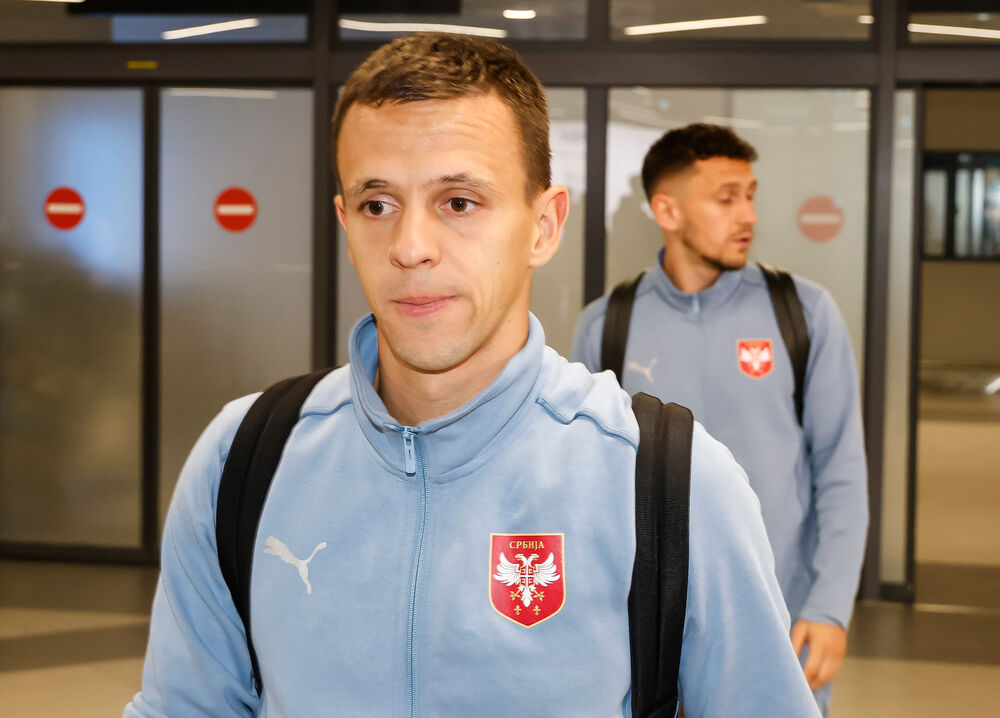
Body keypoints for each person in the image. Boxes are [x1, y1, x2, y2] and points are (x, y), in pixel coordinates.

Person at [125, 36, 819, 717]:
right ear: (345, 223)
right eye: (377, 205)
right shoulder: (244, 460)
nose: (410, 248)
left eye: (459, 202)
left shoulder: (667, 482)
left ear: (544, 226)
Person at [572, 123, 869, 716]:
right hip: (645, 634)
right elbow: (583, 483)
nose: (748, 215)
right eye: (726, 198)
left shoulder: (804, 313)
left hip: (782, 622)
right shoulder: (608, 326)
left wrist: (830, 607)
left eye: (750, 195)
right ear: (667, 210)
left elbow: (842, 471)